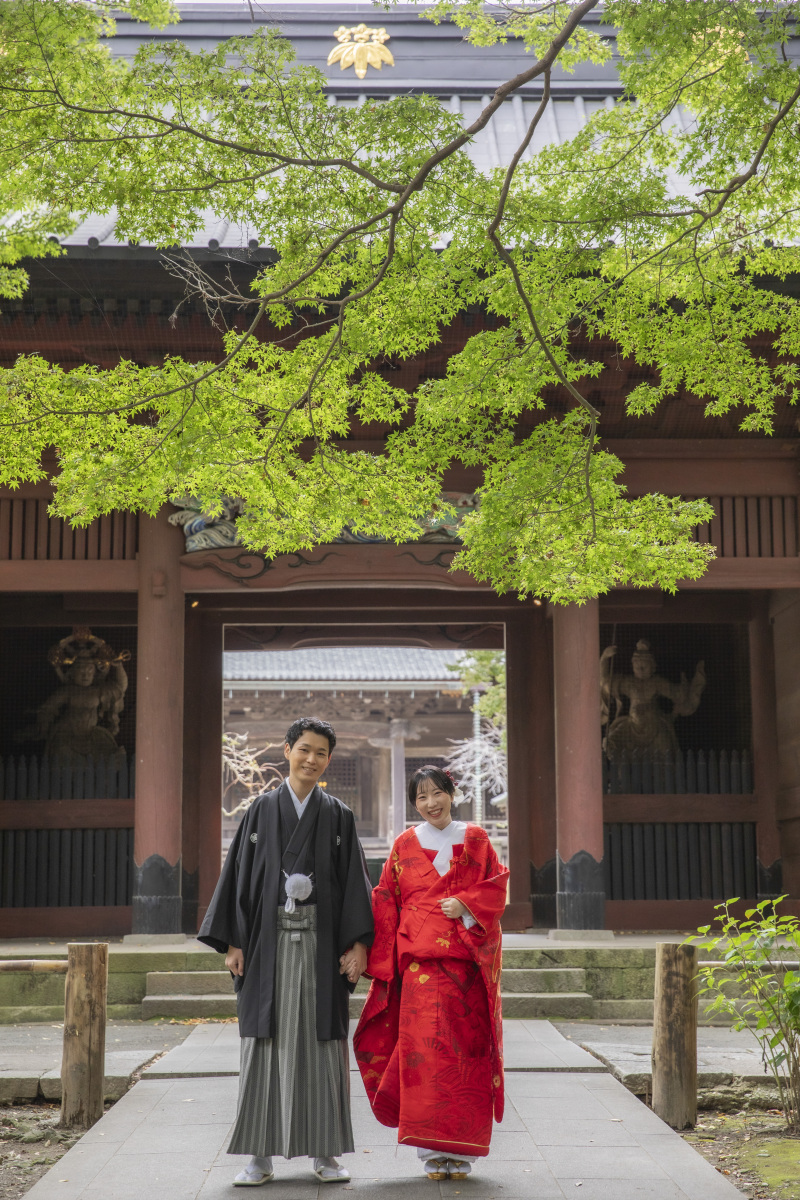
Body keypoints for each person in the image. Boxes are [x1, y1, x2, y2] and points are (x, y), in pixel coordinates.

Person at [198, 717, 374, 1186]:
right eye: (304, 749)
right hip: (266, 945)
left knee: (323, 1046)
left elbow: (355, 883)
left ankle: (326, 1153)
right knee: (264, 1043)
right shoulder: (259, 811)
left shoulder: (338, 815)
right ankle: (259, 1155)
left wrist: (358, 945)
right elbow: (239, 875)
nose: (311, 759)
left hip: (321, 945)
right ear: (287, 751)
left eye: (320, 753)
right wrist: (233, 942)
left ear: (329, 761)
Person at [353, 765, 508, 1181]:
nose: (430, 803)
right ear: (414, 803)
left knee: (464, 1059)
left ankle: (464, 1151)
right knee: (423, 1060)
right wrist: (375, 956)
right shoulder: (404, 844)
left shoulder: (475, 838)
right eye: (420, 798)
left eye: (437, 793)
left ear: (451, 793)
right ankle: (428, 1153)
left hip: (465, 971)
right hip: (419, 972)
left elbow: (496, 886)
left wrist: (467, 906)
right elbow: (386, 897)